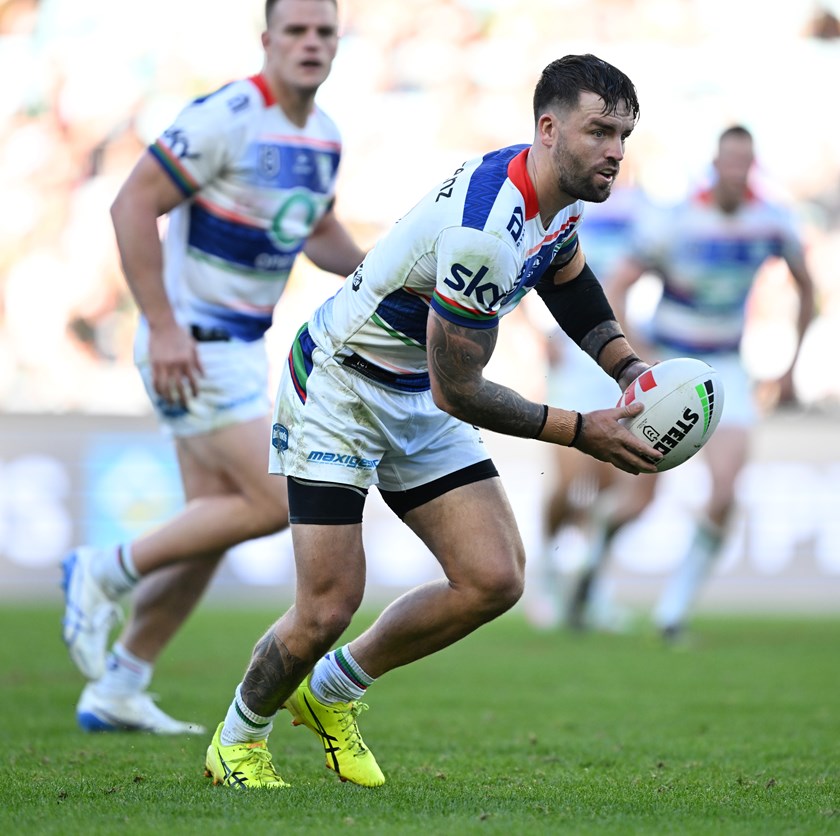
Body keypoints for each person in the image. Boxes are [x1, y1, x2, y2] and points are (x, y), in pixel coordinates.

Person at [201, 53, 664, 790]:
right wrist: (583, 430)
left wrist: (629, 369)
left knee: (493, 578)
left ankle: (331, 694)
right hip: (341, 387)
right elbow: (460, 390)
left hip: (415, 389)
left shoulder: (566, 193)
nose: (614, 151)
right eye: (599, 131)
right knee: (326, 606)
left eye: (624, 135)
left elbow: (568, 281)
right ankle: (237, 740)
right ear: (547, 129)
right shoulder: (487, 226)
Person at [61, 0, 366, 734]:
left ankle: (122, 682)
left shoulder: (324, 136)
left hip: (237, 345)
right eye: (296, 30)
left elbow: (315, 227)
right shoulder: (226, 115)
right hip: (191, 344)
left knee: (213, 524)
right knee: (268, 501)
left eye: (324, 31)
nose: (311, 43)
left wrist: (382, 278)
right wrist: (162, 327)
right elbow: (132, 205)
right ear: (267, 40)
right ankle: (103, 569)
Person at [566, 125, 816, 639]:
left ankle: (673, 614)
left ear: (753, 167)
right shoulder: (676, 221)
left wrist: (791, 365)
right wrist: (638, 358)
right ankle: (591, 565)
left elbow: (808, 286)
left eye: (745, 163)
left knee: (725, 490)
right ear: (716, 164)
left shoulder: (771, 221)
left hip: (726, 366)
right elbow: (617, 286)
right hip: (673, 364)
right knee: (640, 499)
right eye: (729, 161)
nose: (736, 171)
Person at [524, 169, 652, 630]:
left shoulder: (647, 211)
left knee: (612, 484)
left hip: (622, 356)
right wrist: (537, 334)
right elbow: (522, 261)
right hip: (574, 361)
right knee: (572, 481)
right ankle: (547, 574)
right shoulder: (566, 199)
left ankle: (592, 587)